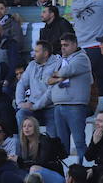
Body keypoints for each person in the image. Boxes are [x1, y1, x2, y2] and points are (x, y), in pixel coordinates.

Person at [38, 33, 92, 161]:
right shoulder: (60, 61)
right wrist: (59, 78)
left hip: (75, 106)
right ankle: (66, 175)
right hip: (58, 106)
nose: (63, 48)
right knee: (61, 146)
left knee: (79, 142)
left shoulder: (82, 58)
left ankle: (82, 173)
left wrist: (58, 76)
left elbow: (65, 71)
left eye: (66, 45)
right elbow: (46, 77)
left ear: (75, 44)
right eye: (62, 45)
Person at [17, 40, 60, 136]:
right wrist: (20, 103)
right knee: (20, 113)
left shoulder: (57, 64)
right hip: (33, 107)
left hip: (51, 107)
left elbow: (50, 92)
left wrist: (34, 106)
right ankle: (24, 148)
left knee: (52, 140)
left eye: (36, 51)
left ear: (45, 53)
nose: (33, 54)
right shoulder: (32, 65)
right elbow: (21, 83)